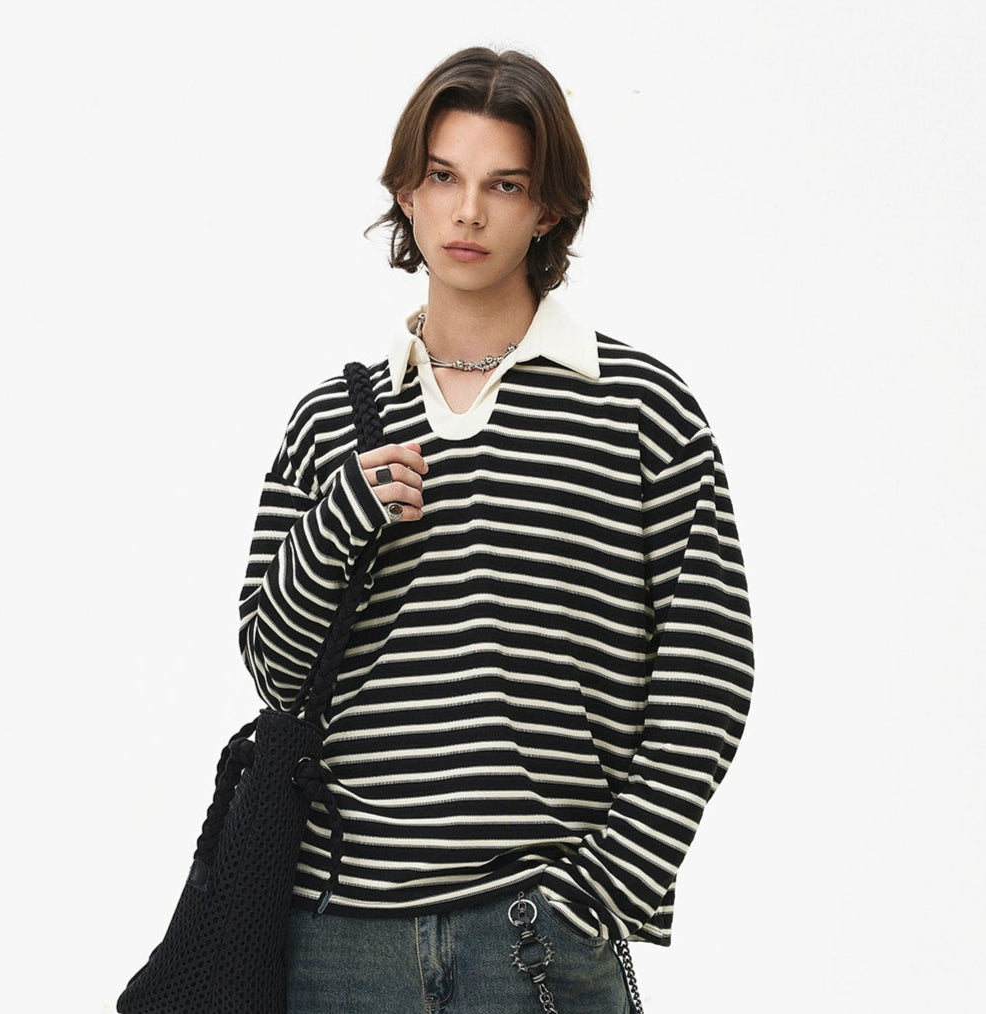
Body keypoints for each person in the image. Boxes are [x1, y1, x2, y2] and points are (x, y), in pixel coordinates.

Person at [238, 46, 753, 1014]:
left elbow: (710, 670)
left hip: (537, 933)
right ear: (407, 192)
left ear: (548, 207)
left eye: (504, 185)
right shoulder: (331, 421)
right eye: (443, 177)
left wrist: (600, 892)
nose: (467, 212)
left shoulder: (640, 410)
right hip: (338, 936)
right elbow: (274, 670)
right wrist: (341, 518)